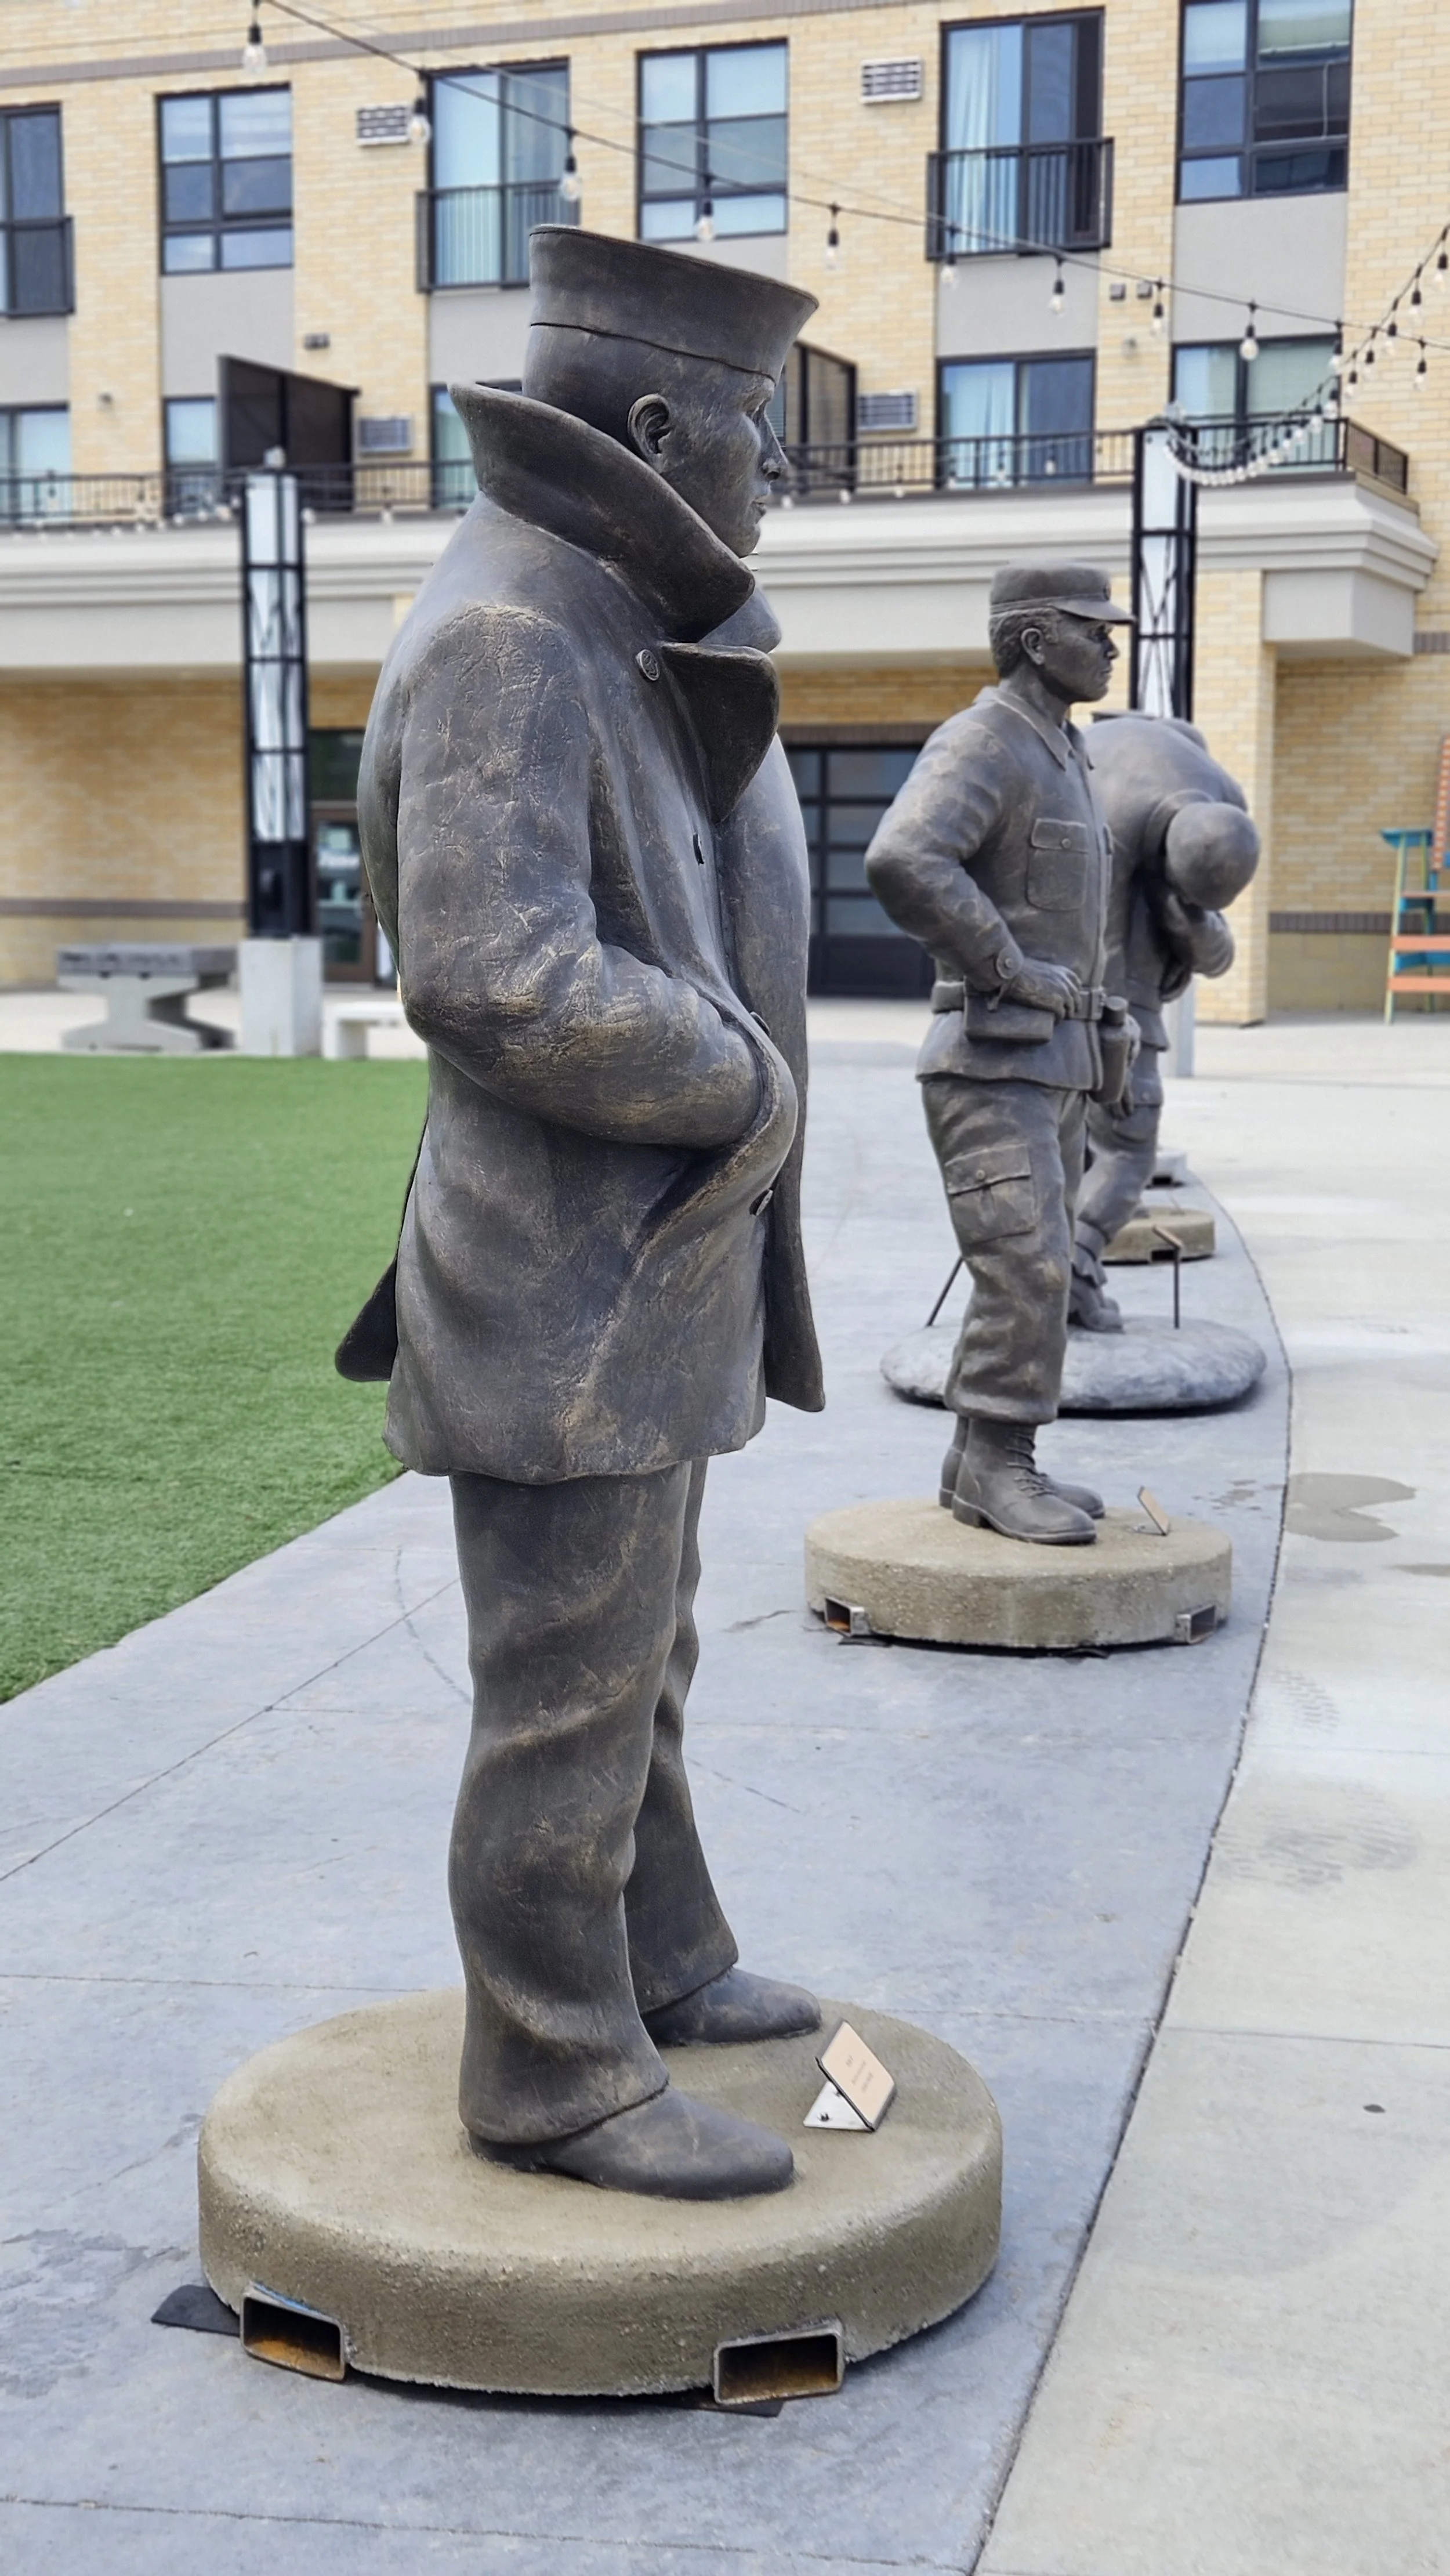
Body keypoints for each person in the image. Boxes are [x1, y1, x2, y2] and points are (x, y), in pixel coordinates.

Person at [346, 229, 825, 2201]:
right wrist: (739, 1078)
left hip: (636, 1274)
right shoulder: (516, 630)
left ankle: (662, 1953)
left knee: (643, 1656)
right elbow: (492, 975)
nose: (777, 473)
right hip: (567, 1292)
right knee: (565, 1696)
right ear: (655, 425)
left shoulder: (601, 608)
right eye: (759, 434)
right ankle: (552, 2072)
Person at [864, 565, 1133, 1546]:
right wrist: (1007, 965)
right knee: (1028, 1269)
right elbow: (904, 858)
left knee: (1038, 1265)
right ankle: (999, 1463)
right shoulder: (987, 740)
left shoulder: (1066, 750)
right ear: (1033, 640)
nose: (1110, 645)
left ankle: (981, 1459)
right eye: (1092, 629)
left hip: (1055, 1063)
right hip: (990, 1061)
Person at [1070, 714, 1259, 1332]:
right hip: (1087, 994)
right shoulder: (1111, 816)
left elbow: (1216, 952)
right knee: (1126, 1151)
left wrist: (1194, 924)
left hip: (1065, 992)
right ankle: (1071, 1271)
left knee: (1072, 1142)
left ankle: (1053, 1272)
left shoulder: (1222, 799)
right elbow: (1103, 957)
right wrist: (1115, 1043)